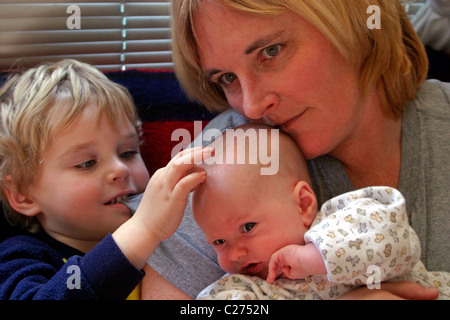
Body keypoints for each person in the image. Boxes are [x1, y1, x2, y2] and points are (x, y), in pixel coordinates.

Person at [141, 0, 449, 300]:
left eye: (270, 52)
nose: (252, 105)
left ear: (354, 21)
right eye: (228, 78)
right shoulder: (218, 165)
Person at [0, 59, 212, 299]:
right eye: (87, 163)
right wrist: (144, 230)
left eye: (128, 153)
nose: (120, 169)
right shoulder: (19, 257)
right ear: (23, 196)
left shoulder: (170, 240)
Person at [191, 125, 449, 300]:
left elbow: (398, 242)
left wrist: (315, 257)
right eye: (219, 241)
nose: (235, 254)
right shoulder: (249, 288)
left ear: (303, 204)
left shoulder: (343, 221)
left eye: (248, 227)